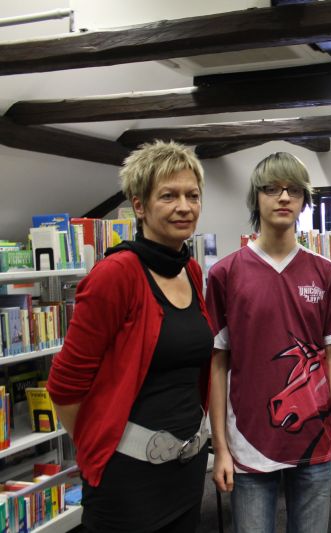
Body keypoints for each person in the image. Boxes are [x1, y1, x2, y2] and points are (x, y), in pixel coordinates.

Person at [47, 140, 213, 532]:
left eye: (192, 195)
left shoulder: (191, 271)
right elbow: (65, 386)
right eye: (168, 196)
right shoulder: (115, 275)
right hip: (128, 479)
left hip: (186, 468)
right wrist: (99, 446)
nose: (184, 206)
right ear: (139, 206)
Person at [205, 152, 331, 533]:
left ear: (304, 200)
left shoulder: (324, 272)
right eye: (272, 189)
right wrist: (220, 447)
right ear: (256, 198)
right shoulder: (225, 274)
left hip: (315, 444)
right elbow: (218, 363)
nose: (283, 197)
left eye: (293, 190)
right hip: (249, 443)